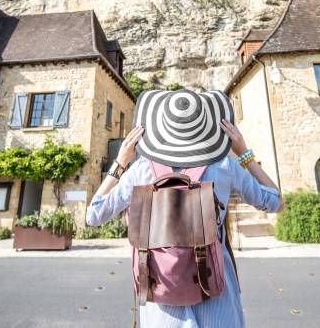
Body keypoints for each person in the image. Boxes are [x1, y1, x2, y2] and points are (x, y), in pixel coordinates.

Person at [86, 89, 284, 328]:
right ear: (205, 127)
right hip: (216, 294)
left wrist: (121, 162)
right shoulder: (223, 165)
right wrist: (245, 154)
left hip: (161, 300)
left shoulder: (140, 170)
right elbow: (275, 202)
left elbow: (94, 215)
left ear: (160, 128)